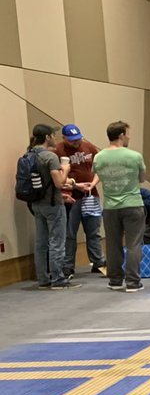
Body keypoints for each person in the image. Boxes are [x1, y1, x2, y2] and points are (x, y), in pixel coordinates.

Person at [92, 121, 147, 293]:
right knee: (133, 244)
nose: (129, 137)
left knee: (112, 244)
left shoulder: (99, 157)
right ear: (122, 135)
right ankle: (133, 282)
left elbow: (98, 175)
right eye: (127, 134)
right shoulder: (135, 156)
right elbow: (141, 179)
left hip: (110, 206)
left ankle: (115, 280)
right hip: (133, 204)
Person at [23, 124, 77, 290]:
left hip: (36, 204)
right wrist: (65, 170)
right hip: (53, 205)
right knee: (57, 242)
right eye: (53, 135)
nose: (55, 137)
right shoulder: (50, 156)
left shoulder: (29, 154)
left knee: (41, 242)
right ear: (47, 137)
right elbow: (59, 183)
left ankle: (43, 279)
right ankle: (58, 279)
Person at [54, 123, 104, 276]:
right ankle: (68, 265)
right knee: (70, 233)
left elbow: (99, 169)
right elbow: (58, 177)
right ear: (64, 138)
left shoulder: (89, 147)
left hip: (91, 195)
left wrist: (92, 184)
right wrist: (77, 186)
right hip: (71, 197)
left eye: (78, 139)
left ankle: (98, 262)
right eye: (72, 140)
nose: (76, 142)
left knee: (93, 231)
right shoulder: (58, 150)